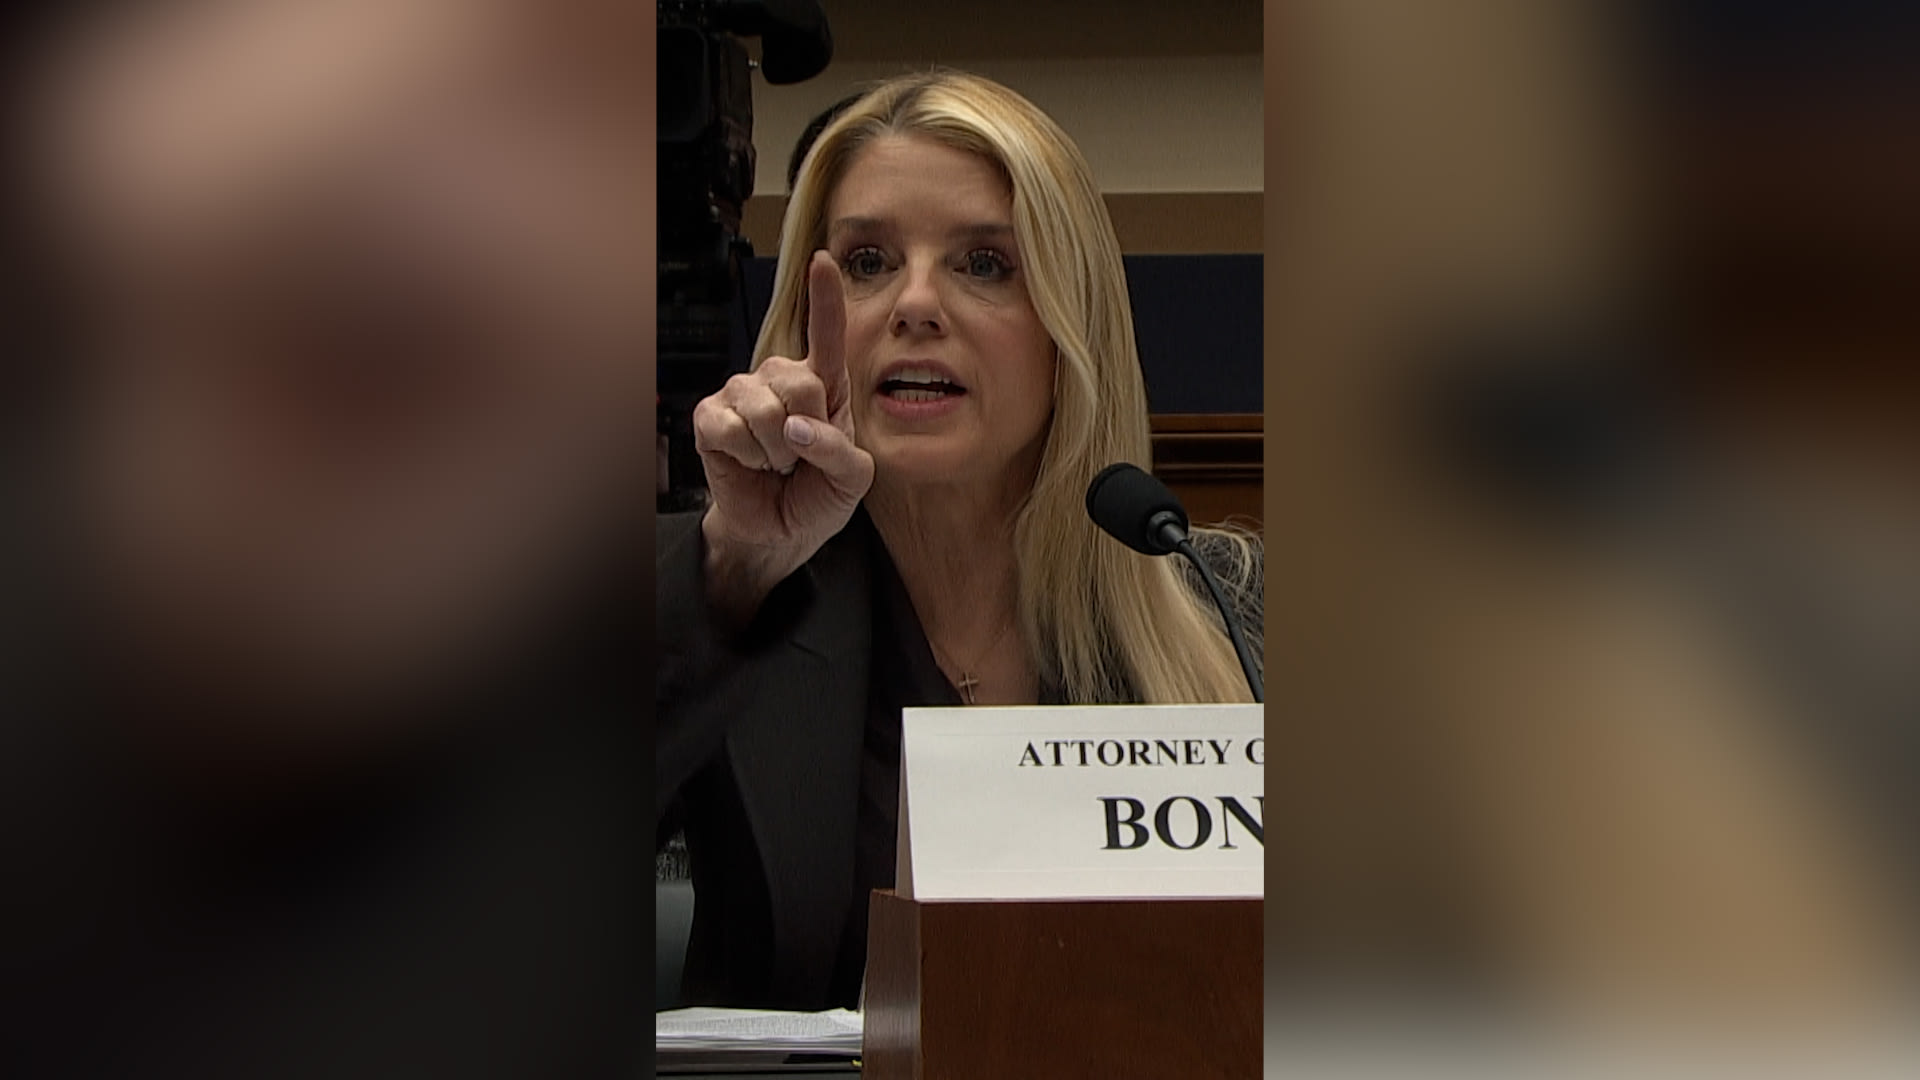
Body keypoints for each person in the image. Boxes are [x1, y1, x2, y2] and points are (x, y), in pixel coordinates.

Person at [656, 69, 1262, 1010]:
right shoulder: (725, 592)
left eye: (984, 264)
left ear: (1070, 324)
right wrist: (736, 568)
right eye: (868, 262)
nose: (915, 304)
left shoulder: (1229, 612)